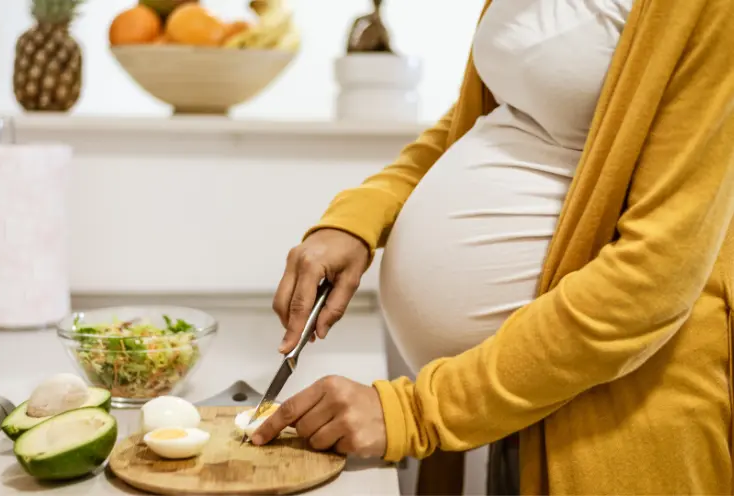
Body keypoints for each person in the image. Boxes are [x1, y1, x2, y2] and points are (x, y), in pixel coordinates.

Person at [253, 0, 734, 493]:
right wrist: (356, 219)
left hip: (608, 405)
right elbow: (491, 114)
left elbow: (654, 278)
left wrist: (419, 412)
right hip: (483, 407)